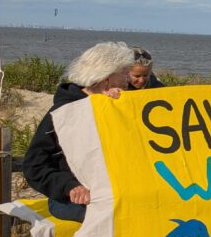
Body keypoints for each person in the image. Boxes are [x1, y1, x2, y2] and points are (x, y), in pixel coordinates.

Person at [22, 42, 135, 222]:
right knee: (117, 218)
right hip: (71, 200)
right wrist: (69, 186)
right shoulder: (63, 112)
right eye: (124, 73)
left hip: (118, 194)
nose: (128, 79)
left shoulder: (122, 103)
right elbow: (34, 166)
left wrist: (119, 107)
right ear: (106, 77)